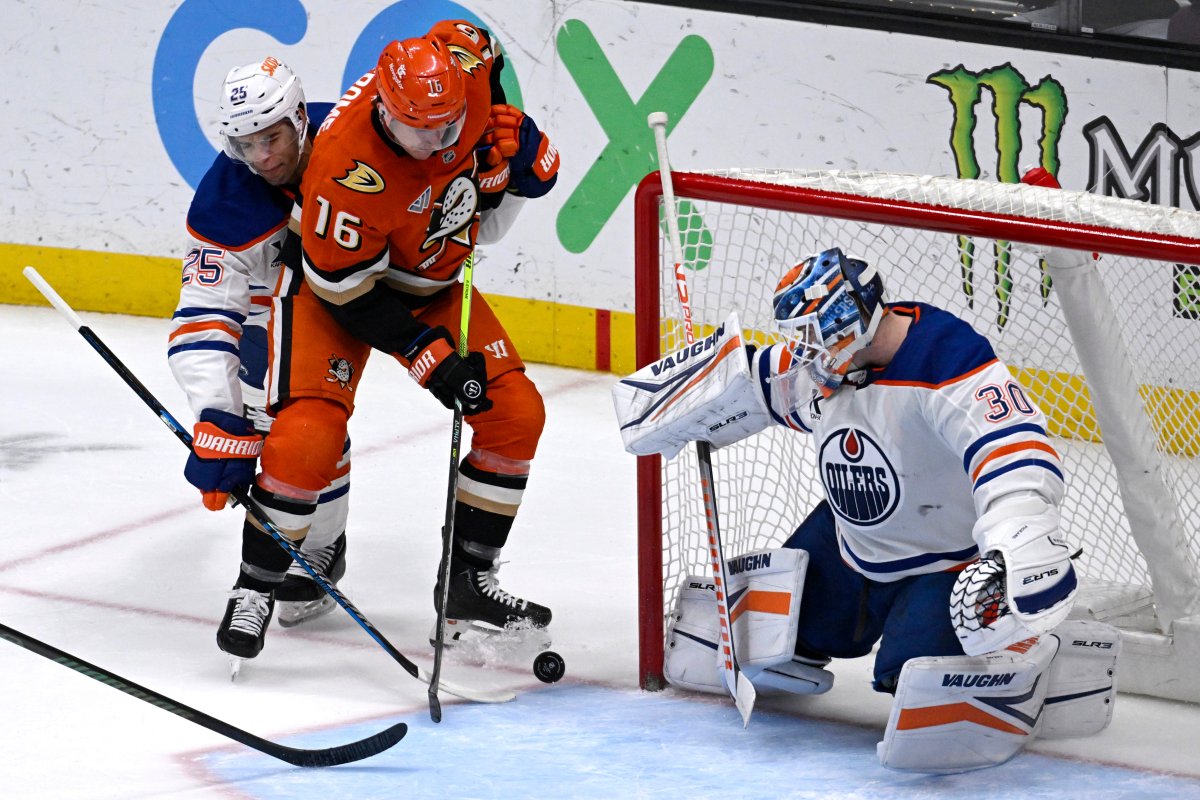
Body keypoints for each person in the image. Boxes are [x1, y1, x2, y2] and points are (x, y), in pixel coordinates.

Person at [614, 240, 1120, 772]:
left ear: (849, 320)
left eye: (813, 336)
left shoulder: (945, 356)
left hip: (946, 562)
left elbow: (1015, 447)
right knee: (766, 644)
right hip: (850, 547)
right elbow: (762, 383)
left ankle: (1031, 648)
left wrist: (1016, 534)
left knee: (915, 680)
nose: (804, 353)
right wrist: (695, 394)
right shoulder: (827, 365)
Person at [276, 20, 558, 643]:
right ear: (384, 105)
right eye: (417, 129)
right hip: (341, 291)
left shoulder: (463, 61)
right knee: (307, 434)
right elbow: (346, 290)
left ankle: (466, 584)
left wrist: (520, 147)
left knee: (516, 414)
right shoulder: (343, 168)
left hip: (431, 281)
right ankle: (278, 565)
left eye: (447, 127)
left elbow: (491, 68)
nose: (436, 142)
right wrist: (429, 358)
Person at [168, 57, 364, 666]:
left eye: (272, 138)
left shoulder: (351, 141)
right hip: (266, 310)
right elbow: (203, 315)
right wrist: (218, 421)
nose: (262, 158)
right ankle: (314, 551)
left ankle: (316, 542)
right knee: (291, 429)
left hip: (361, 292)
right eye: (245, 145)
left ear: (299, 118)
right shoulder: (228, 202)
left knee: (311, 426)